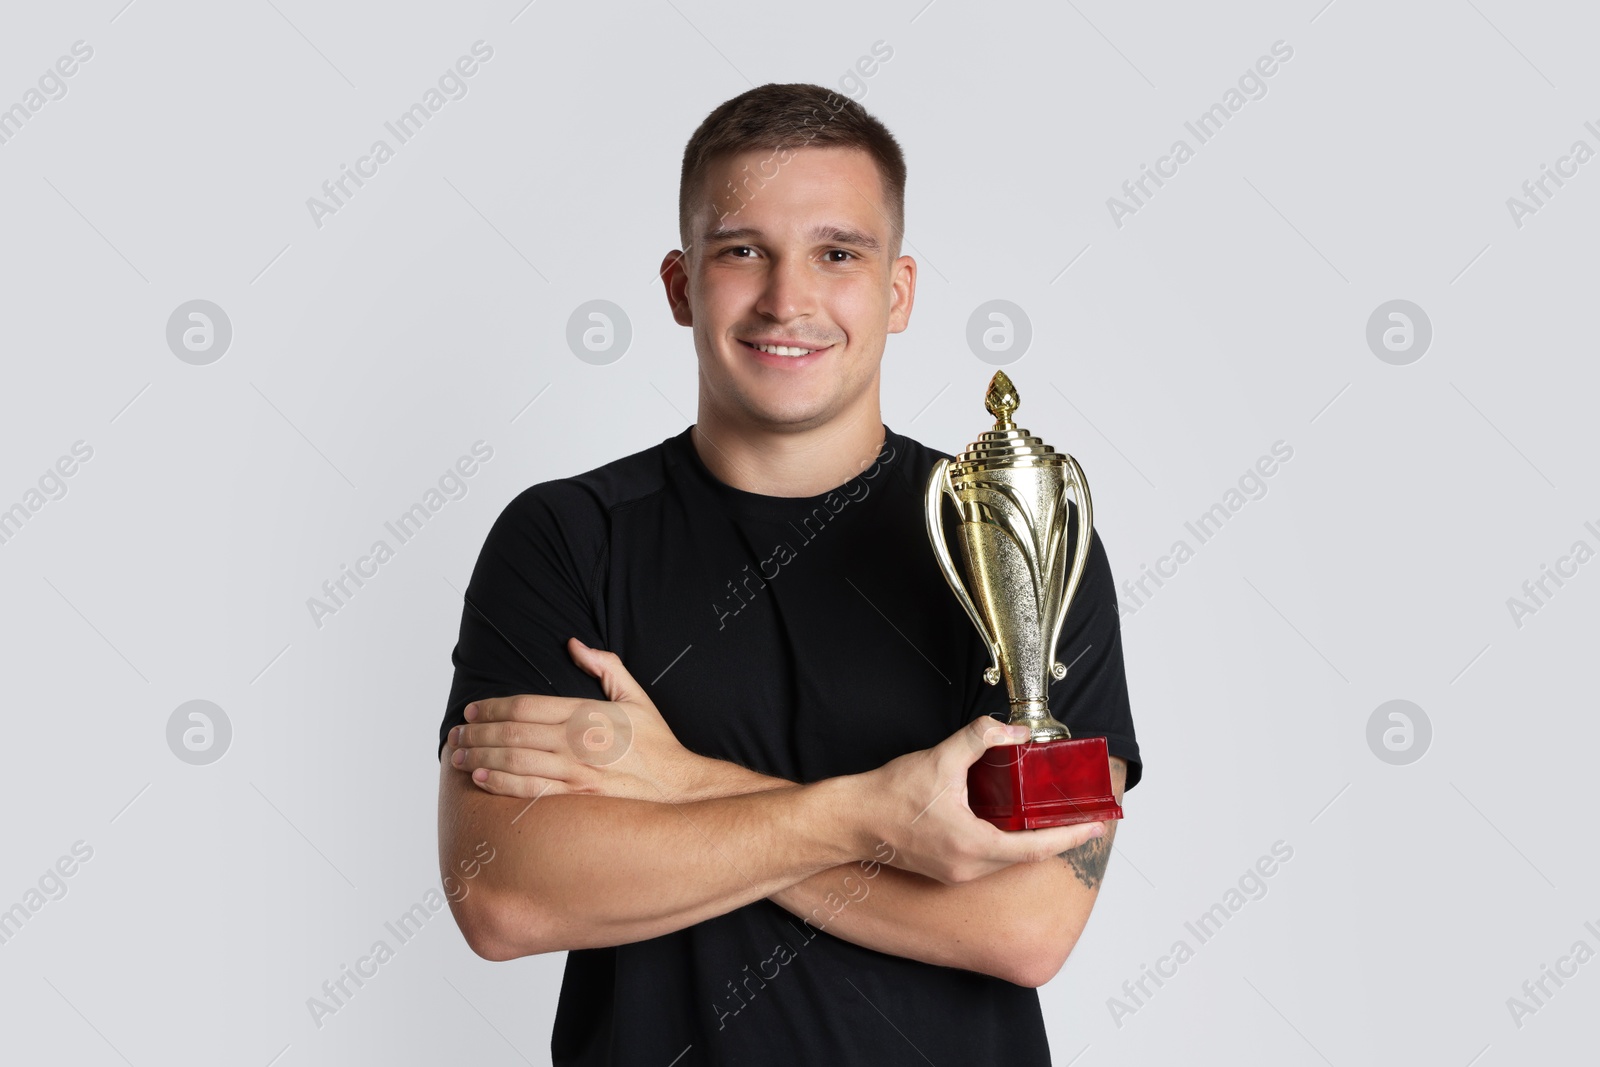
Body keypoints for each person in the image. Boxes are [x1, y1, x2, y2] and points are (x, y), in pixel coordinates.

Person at [436, 82, 1143, 1065]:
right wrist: (867, 813)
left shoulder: (1021, 538)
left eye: (836, 253)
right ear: (681, 283)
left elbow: (1025, 923)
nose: (786, 298)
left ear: (896, 291)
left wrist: (676, 782)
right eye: (741, 251)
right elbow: (506, 894)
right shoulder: (565, 537)